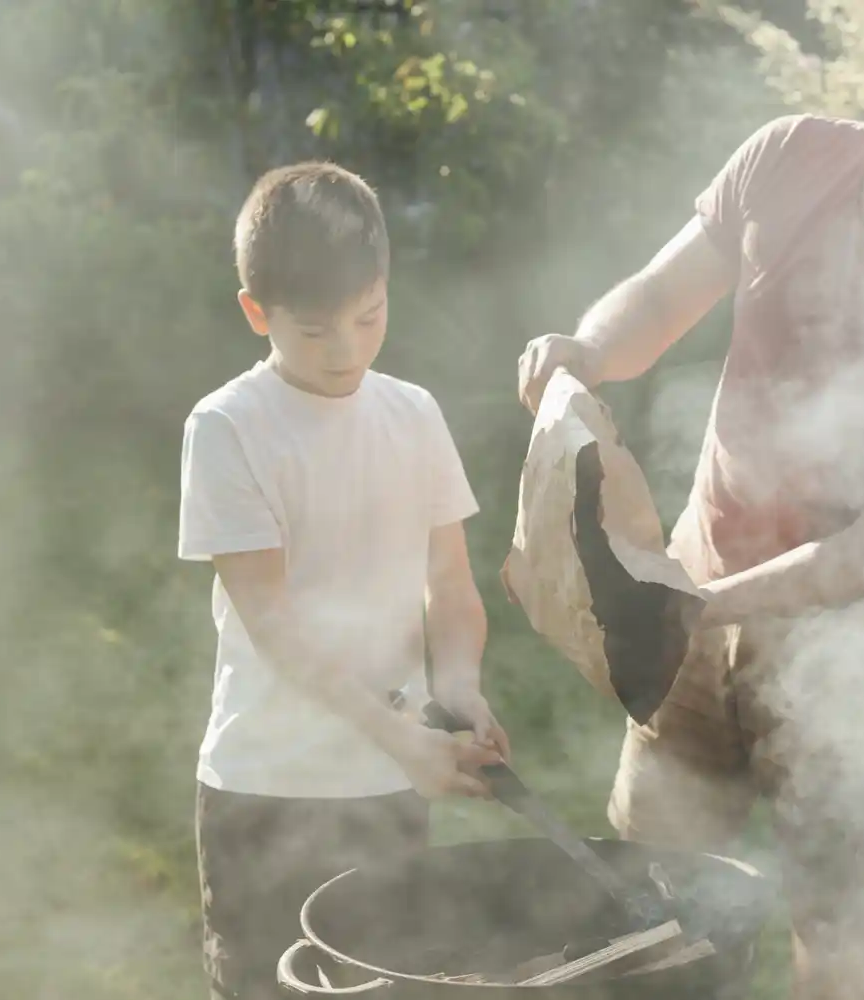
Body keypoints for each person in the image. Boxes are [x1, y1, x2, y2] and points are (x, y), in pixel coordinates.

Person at [516, 1, 864, 997]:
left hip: (857, 657)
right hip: (697, 588)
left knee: (832, 923)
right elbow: (652, 302)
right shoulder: (787, 161)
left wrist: (689, 604)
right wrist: (586, 353)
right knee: (650, 895)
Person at [178, 160, 511, 1000]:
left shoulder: (413, 414)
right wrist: (401, 739)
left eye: (369, 319)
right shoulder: (228, 427)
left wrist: (460, 689)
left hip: (386, 790)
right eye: (317, 331)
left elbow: (451, 586)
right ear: (258, 313)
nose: (348, 351)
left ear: (387, 288)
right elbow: (273, 624)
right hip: (267, 790)